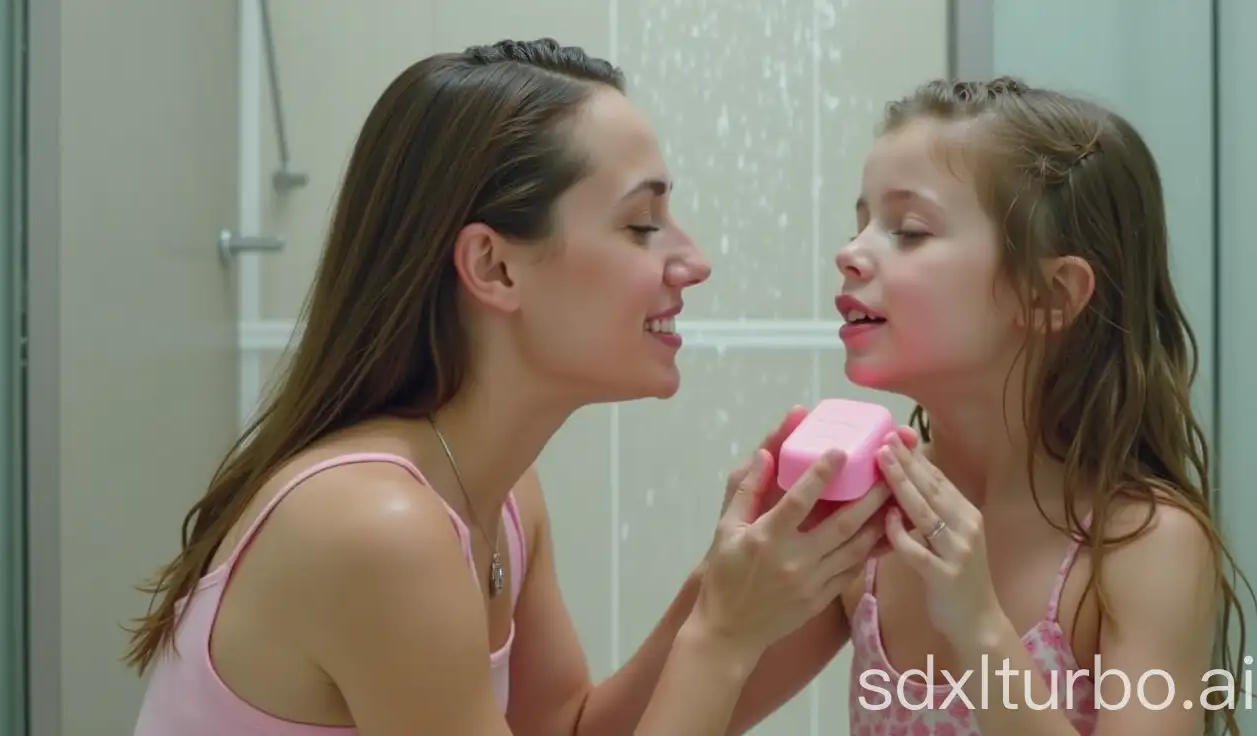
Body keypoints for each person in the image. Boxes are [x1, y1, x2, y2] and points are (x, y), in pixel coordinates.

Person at [125, 39, 903, 735]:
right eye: (642, 225)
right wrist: (723, 634)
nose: (692, 260)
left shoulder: (500, 497)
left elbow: (566, 729)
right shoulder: (378, 527)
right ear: (494, 267)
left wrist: (733, 583)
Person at [759, 77, 1257, 735]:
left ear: (1051, 294)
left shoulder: (1138, 546)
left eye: (907, 231)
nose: (850, 254)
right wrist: (743, 581)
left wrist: (980, 630)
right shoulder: (864, 524)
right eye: (862, 225)